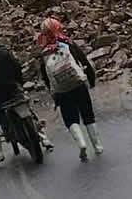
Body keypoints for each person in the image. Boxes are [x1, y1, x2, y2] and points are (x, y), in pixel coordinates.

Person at [0, 32, 52, 168]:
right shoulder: (5, 54)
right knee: (30, 112)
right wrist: (19, 82)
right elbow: (17, 68)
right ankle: (45, 139)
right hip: (14, 92)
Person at [36, 18, 102, 162]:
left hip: (61, 90)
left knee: (70, 118)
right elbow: (84, 61)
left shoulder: (44, 53)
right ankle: (97, 146)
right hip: (78, 84)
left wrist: (54, 94)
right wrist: (90, 80)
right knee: (87, 115)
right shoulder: (68, 43)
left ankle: (81, 144)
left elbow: (46, 78)